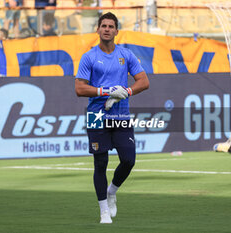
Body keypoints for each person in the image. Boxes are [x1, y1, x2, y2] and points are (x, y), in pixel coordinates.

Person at [75, 12, 149, 224]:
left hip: (121, 115)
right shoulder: (89, 57)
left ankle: (112, 191)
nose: (107, 29)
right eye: (103, 26)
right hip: (97, 115)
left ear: (117, 31)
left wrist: (127, 91)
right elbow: (79, 88)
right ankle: (103, 211)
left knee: (128, 160)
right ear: (97, 30)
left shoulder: (126, 55)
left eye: (111, 26)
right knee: (101, 162)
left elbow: (144, 81)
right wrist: (106, 92)